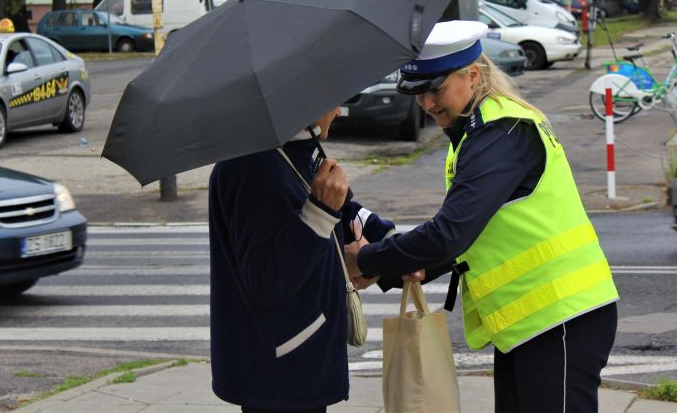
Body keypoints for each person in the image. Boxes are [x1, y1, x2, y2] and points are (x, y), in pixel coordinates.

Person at [345, 20, 619, 413]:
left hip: (561, 317)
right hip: (529, 322)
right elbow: (477, 231)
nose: (426, 104)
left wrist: (366, 259)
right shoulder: (479, 132)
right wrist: (411, 267)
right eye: (418, 94)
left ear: (472, 75)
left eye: (435, 90)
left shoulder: (501, 135)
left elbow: (449, 233)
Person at [208, 106, 395, 413]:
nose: (338, 111)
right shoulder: (252, 166)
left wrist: (386, 242)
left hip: (299, 357)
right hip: (280, 371)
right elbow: (267, 280)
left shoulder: (295, 149)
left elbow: (344, 208)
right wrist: (320, 213)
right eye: (332, 101)